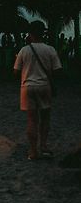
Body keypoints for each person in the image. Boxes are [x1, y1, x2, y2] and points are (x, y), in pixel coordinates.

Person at [14, 21, 62, 160]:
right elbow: (58, 70)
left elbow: (15, 72)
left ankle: (33, 151)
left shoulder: (24, 50)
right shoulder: (50, 49)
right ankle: (44, 146)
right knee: (45, 118)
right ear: (43, 33)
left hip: (27, 87)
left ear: (30, 33)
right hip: (44, 86)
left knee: (31, 120)